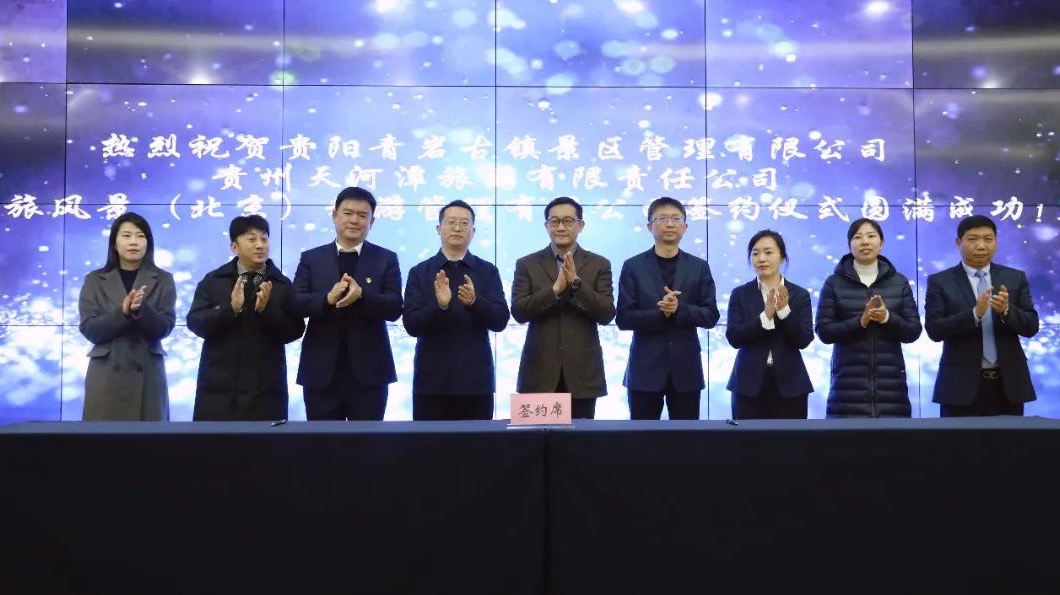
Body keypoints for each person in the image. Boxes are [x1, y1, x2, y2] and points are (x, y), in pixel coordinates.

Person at [288, 186, 403, 421]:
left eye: (362, 215)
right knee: (321, 441)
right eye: (348, 213)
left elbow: (394, 308)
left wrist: (362, 296)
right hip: (321, 372)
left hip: (370, 372)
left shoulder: (386, 259)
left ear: (372, 221)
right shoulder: (312, 258)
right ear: (335, 215)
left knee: (369, 441)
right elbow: (295, 303)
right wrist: (326, 299)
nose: (354, 220)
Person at [186, 215, 305, 421]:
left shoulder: (281, 284)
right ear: (234, 247)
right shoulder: (213, 281)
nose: (260, 245)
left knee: (264, 441)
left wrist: (266, 311)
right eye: (251, 239)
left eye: (264, 238)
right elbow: (195, 322)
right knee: (212, 441)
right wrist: (230, 309)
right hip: (218, 390)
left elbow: (295, 330)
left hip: (266, 390)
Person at [402, 200, 510, 420]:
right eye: (451, 222)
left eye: (464, 223)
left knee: (477, 441)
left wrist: (475, 301)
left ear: (473, 231)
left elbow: (500, 321)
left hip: (476, 383)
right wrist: (439, 305)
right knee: (428, 442)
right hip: (430, 383)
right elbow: (411, 325)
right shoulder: (420, 272)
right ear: (439, 228)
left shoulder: (487, 271)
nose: (457, 228)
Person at [511, 196, 616, 419]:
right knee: (534, 439)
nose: (560, 227)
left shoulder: (599, 264)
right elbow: (519, 312)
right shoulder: (527, 264)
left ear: (581, 225)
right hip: (538, 372)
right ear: (546, 225)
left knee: (580, 439)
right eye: (554, 221)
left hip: (582, 374)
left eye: (568, 221)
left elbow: (607, 313)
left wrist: (576, 285)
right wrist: (554, 290)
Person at [615, 197, 719, 420]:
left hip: (686, 370)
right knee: (642, 437)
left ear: (685, 227)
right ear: (649, 226)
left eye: (676, 218)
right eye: (662, 218)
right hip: (644, 370)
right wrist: (660, 313)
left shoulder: (699, 267)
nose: (670, 223)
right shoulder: (633, 266)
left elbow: (711, 315)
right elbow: (623, 318)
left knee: (686, 437)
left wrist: (679, 309)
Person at [925, 215, 1039, 416]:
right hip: (959, 386)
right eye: (973, 239)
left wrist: (1006, 311)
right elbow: (935, 330)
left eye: (988, 239)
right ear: (958, 242)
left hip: (1008, 386)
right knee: (958, 438)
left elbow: (1031, 326)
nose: (981, 246)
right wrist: (974, 314)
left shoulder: (1014, 277)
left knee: (1010, 438)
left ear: (996, 242)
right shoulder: (940, 281)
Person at [815, 218, 922, 418]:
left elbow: (913, 331)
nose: (865, 242)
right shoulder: (834, 283)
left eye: (871, 236)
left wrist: (887, 317)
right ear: (849, 245)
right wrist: (860, 322)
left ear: (881, 244)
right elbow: (824, 332)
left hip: (891, 389)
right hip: (846, 389)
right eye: (858, 237)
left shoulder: (899, 282)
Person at [78, 212, 176, 421]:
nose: (134, 242)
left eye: (140, 236)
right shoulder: (94, 280)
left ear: (148, 243)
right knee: (103, 438)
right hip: (106, 374)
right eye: (126, 235)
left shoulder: (163, 279)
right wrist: (122, 313)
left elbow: (165, 328)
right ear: (114, 243)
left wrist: (141, 310)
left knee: (148, 439)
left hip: (148, 374)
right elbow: (89, 329)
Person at [725, 230, 814, 419]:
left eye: (768, 252)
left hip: (791, 384)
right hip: (748, 384)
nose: (761, 259)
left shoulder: (800, 295)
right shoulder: (740, 294)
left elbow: (804, 340)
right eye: (755, 253)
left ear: (782, 256)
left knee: (791, 437)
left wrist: (784, 313)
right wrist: (765, 317)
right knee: (747, 437)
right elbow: (734, 337)